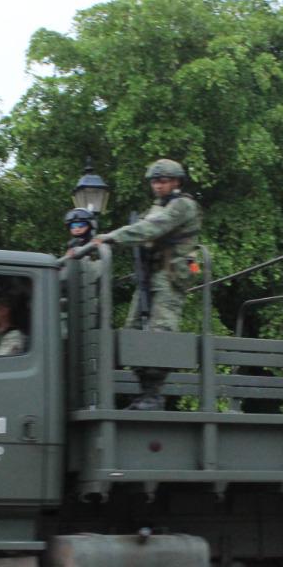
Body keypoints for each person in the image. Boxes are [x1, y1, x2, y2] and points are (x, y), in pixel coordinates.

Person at [66, 158, 202, 410]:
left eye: (162, 181)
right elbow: (144, 230)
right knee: (133, 331)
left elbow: (150, 229)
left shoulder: (183, 205)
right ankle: (145, 392)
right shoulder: (158, 206)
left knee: (160, 331)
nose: (157, 185)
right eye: (154, 181)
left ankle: (154, 394)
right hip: (150, 274)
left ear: (176, 181)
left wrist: (111, 238)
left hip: (170, 275)